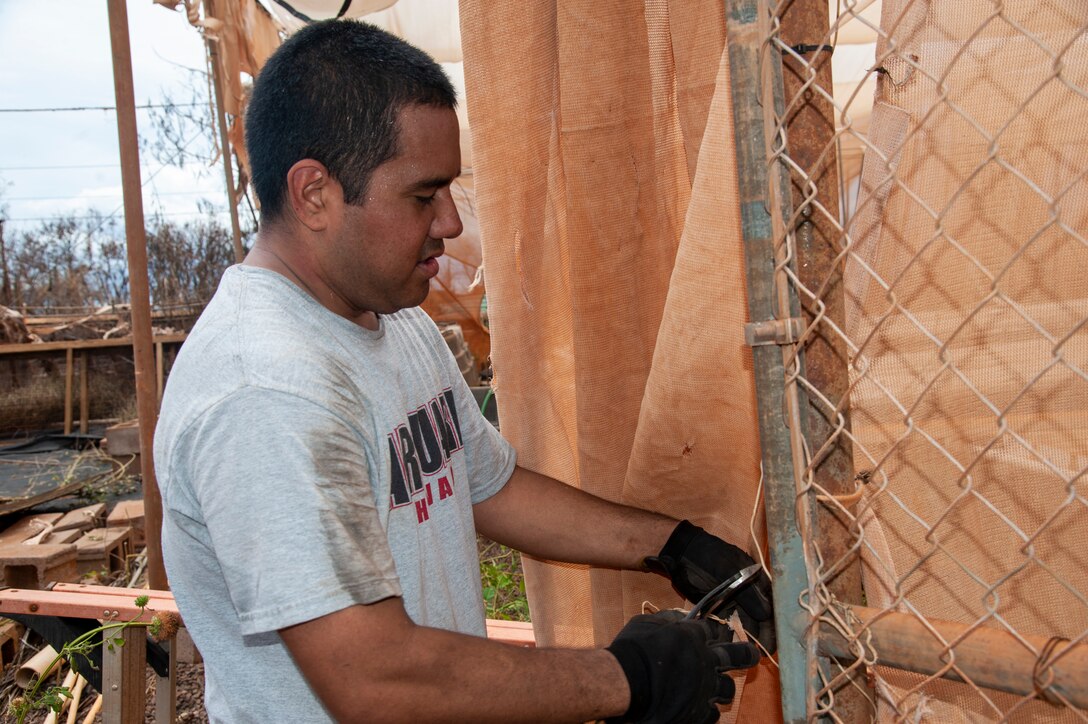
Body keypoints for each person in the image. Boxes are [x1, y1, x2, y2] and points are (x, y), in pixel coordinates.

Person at [154, 19, 774, 724]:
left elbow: (487, 485)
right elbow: (374, 681)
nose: (449, 222)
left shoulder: (390, 319)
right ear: (315, 194)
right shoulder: (266, 389)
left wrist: (669, 545)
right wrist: (625, 678)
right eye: (423, 196)